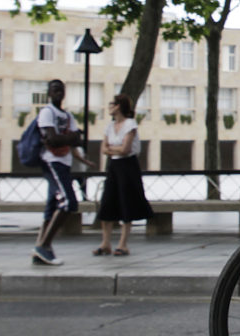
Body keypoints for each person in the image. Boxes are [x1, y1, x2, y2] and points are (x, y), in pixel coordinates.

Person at [32, 79, 95, 266]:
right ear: (49, 93)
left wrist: (64, 138)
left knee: (51, 208)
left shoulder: (67, 116)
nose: (59, 92)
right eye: (55, 89)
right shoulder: (47, 113)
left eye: (61, 89)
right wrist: (69, 137)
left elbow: (77, 140)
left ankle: (40, 249)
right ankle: (44, 246)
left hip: (65, 163)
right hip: (52, 162)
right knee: (69, 202)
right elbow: (52, 139)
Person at [93, 94, 153, 256]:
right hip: (114, 165)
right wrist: (115, 149)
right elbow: (104, 149)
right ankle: (105, 242)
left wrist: (112, 148)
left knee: (126, 202)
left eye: (112, 104)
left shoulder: (130, 124)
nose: (110, 106)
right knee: (107, 201)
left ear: (119, 106)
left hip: (128, 166)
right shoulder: (110, 126)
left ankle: (123, 243)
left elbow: (126, 149)